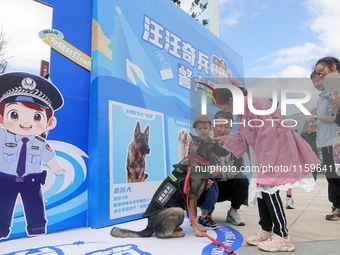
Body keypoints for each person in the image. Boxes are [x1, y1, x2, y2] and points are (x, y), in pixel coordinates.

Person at [211, 82, 319, 252]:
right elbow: (243, 136)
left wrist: (267, 161)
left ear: (232, 99)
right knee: (262, 190)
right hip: (263, 153)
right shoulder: (243, 111)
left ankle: (283, 236)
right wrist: (223, 139)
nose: (226, 110)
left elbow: (268, 133)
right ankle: (267, 230)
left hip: (275, 151)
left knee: (269, 189)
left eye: (223, 106)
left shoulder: (255, 104)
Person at [0, 72, 66, 239]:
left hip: (32, 181)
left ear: (49, 123)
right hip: (5, 179)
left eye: (37, 117)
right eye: (14, 115)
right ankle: (1, 228)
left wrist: (57, 168)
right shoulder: (3, 137)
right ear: (1, 118)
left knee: (35, 205)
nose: (26, 123)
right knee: (3, 205)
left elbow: (49, 156)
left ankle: (37, 230)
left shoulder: (40, 143)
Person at [306, 56, 340, 221]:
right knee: (332, 175)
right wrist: (316, 125)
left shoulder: (334, 89)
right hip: (328, 142)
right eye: (317, 74)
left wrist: (316, 117)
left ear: (333, 67)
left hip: (335, 141)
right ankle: (337, 206)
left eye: (321, 72)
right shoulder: (325, 95)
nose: (319, 77)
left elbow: (334, 118)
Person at [212, 110, 249, 226]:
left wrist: (221, 172)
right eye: (220, 126)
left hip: (226, 187)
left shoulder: (235, 145)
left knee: (242, 179)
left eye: (226, 127)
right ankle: (206, 212)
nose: (223, 130)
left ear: (231, 128)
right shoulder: (204, 143)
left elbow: (240, 168)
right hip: (209, 185)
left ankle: (233, 211)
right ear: (213, 126)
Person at [192, 114, 218, 229]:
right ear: (196, 130)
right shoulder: (193, 144)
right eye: (199, 128)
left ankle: (206, 215)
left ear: (211, 128)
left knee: (213, 188)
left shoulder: (214, 143)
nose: (202, 131)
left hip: (210, 175)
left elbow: (216, 162)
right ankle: (202, 217)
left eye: (205, 128)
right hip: (197, 177)